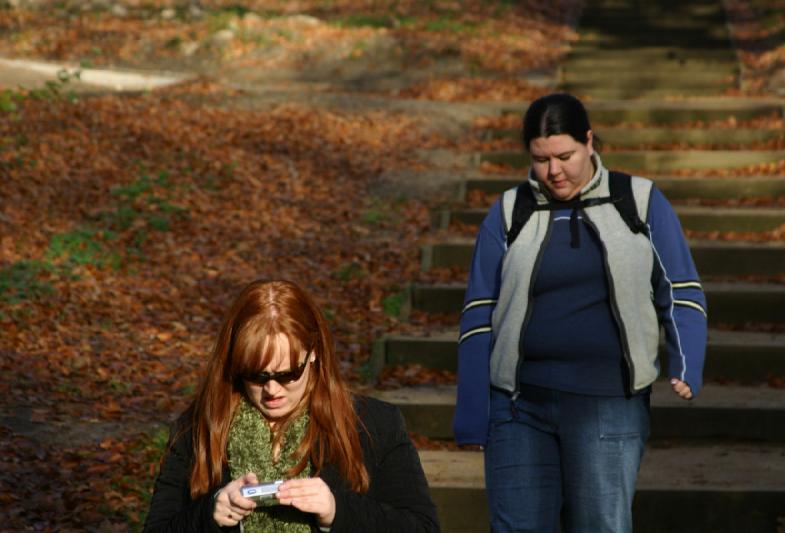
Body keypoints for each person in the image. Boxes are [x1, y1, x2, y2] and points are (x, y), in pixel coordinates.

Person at [453, 93, 707, 532]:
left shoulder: (639, 201)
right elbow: (479, 312)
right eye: (540, 159)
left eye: (565, 155)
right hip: (518, 407)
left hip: (609, 405)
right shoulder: (510, 212)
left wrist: (686, 360)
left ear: (589, 142)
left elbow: (681, 289)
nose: (554, 171)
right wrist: (474, 411)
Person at [144, 279, 440, 533]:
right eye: (256, 376)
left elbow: (422, 527)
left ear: (313, 353)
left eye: (287, 374)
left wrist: (336, 511)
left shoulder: (375, 425)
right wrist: (210, 514)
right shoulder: (197, 429)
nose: (272, 390)